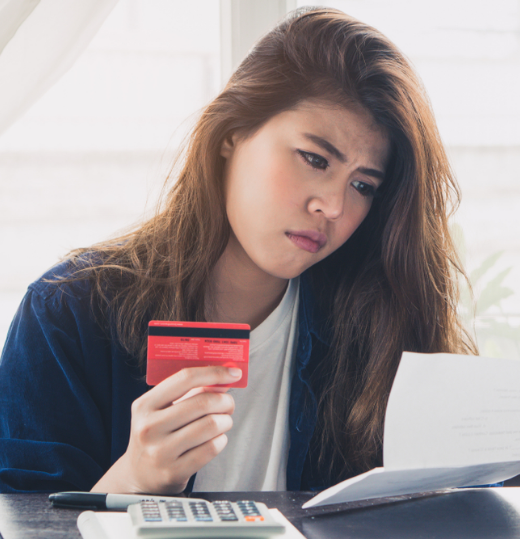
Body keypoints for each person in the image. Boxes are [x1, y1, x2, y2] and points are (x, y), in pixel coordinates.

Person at [0, 7, 475, 494]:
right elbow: (24, 519)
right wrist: (134, 478)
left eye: (363, 184)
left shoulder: (374, 325)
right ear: (231, 134)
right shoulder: (67, 315)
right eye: (314, 159)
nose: (333, 206)